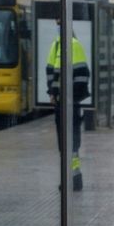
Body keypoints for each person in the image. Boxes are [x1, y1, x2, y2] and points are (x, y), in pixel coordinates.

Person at [47, 23, 89, 192]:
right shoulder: (57, 45)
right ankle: (71, 177)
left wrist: (71, 97)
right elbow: (51, 72)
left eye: (60, 23)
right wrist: (52, 93)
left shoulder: (73, 44)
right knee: (65, 144)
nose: (58, 26)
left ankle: (74, 178)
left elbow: (82, 75)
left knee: (70, 143)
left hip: (69, 103)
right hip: (61, 102)